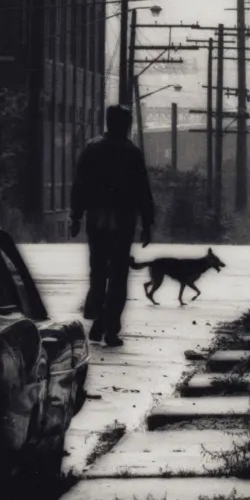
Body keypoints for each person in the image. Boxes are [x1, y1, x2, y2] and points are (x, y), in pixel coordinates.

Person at [69, 104, 155, 347]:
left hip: (96, 218)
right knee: (118, 274)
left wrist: (75, 216)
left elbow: (80, 184)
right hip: (123, 219)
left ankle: (97, 316)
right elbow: (142, 191)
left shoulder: (92, 148)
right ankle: (110, 328)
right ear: (127, 125)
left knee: (98, 271)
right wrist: (147, 223)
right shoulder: (132, 152)